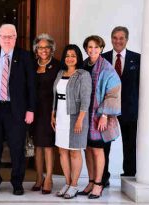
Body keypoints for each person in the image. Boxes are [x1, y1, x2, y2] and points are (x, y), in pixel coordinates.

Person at [0, 24, 36, 196]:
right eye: (4, 36)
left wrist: (30, 109)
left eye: (10, 36)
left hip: (17, 110)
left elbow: (31, 86)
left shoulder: (25, 57)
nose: (7, 39)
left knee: (16, 148)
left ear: (16, 37)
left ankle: (17, 183)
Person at [79, 35, 121, 199]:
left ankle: (98, 184)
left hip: (98, 115)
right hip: (85, 115)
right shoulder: (83, 65)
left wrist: (104, 114)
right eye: (90, 47)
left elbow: (113, 93)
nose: (93, 50)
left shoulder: (107, 68)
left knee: (98, 149)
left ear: (102, 48)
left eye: (96, 47)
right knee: (87, 149)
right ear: (86, 48)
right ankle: (90, 181)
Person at [51, 44, 92, 199]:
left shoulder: (83, 75)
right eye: (67, 55)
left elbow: (86, 100)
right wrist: (53, 114)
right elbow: (55, 95)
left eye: (73, 56)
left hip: (75, 117)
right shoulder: (60, 73)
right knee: (62, 150)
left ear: (78, 58)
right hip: (61, 115)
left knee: (75, 151)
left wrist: (80, 120)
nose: (69, 58)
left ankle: (74, 185)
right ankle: (67, 183)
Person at [101, 26, 140, 185]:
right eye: (115, 38)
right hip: (107, 111)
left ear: (126, 40)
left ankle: (129, 177)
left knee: (130, 146)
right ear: (111, 39)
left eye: (121, 38)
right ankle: (103, 178)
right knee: (104, 146)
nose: (118, 41)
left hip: (129, 110)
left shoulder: (137, 59)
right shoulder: (102, 58)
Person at [30, 33, 60, 194]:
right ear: (36, 49)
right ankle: (38, 177)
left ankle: (49, 178)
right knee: (37, 146)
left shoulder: (57, 66)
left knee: (48, 146)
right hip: (34, 111)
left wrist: (56, 112)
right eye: (40, 47)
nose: (43, 50)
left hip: (50, 111)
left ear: (52, 49)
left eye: (47, 47)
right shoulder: (31, 64)